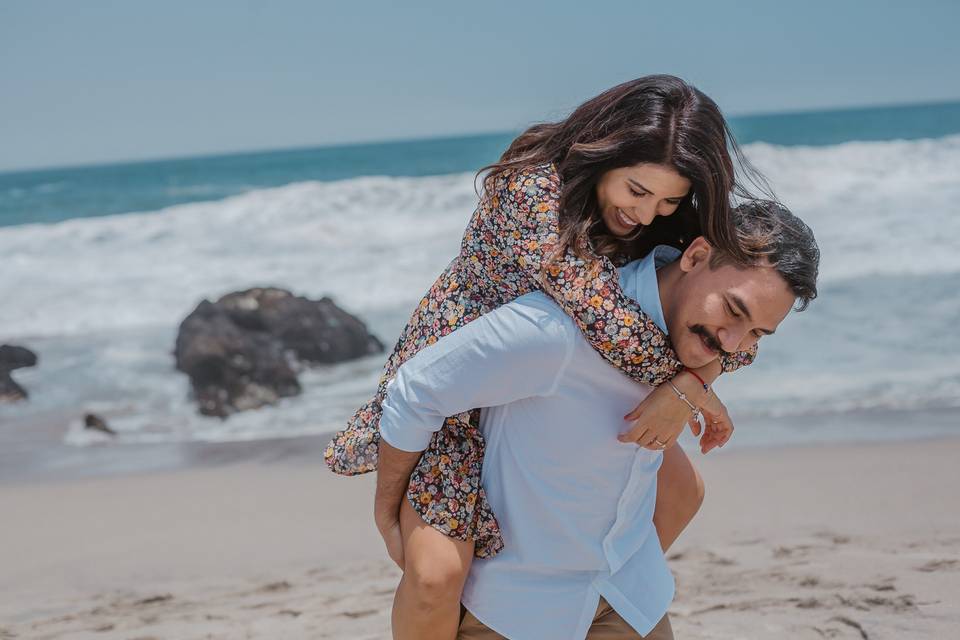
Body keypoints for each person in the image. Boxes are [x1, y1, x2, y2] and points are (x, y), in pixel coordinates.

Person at [325, 75, 769, 637]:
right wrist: (690, 385)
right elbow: (609, 321)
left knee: (684, 492)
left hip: (563, 384)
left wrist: (697, 378)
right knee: (436, 575)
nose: (650, 214)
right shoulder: (532, 192)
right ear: (605, 151)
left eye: (670, 201)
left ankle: (574, 606)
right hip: (463, 390)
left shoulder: (660, 219)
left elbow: (726, 333)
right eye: (636, 191)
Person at [379, 200, 820, 639]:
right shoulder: (559, 333)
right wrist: (388, 511)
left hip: (624, 595)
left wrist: (692, 386)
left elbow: (728, 346)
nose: (732, 342)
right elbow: (413, 389)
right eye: (733, 311)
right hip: (517, 614)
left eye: (758, 333)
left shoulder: (701, 338)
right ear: (696, 256)